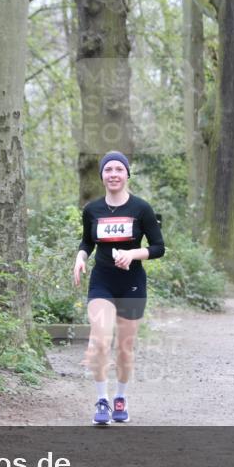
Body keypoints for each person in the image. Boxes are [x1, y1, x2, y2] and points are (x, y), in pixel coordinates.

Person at [73, 151, 165, 425]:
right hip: (102, 280)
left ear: (126, 175)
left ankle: (120, 397)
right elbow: (87, 242)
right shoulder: (92, 210)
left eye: (118, 170)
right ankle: (101, 400)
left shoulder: (141, 209)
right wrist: (80, 258)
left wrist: (133, 254)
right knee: (101, 340)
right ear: (102, 176)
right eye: (108, 170)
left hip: (132, 284)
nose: (113, 174)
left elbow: (159, 247)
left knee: (124, 347)